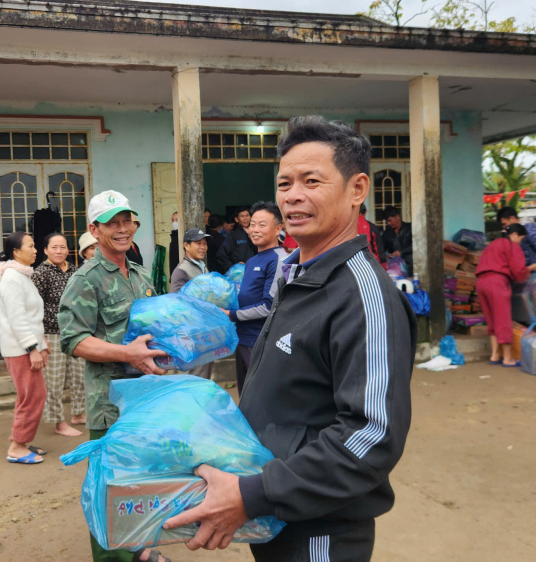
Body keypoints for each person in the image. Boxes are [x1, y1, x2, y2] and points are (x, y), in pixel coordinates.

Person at [164, 117, 414, 562]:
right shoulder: (298, 274)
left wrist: (255, 492)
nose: (293, 195)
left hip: (319, 532)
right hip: (276, 515)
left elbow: (371, 436)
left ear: (357, 189)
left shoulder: (362, 293)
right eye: (285, 182)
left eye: (312, 181)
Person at [58, 190, 171, 562]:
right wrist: (127, 354)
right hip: (109, 405)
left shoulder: (139, 275)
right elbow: (73, 340)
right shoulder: (86, 279)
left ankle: (137, 551)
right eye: (112, 223)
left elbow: (148, 330)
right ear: (94, 229)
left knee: (139, 485)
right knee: (109, 491)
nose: (122, 229)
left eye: (127, 221)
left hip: (143, 401)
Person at [0, 231, 49, 465]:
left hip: (24, 347)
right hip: (20, 349)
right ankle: (16, 447)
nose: (35, 250)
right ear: (16, 252)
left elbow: (32, 316)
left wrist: (42, 345)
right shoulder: (13, 279)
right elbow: (17, 319)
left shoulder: (22, 276)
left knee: (29, 395)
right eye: (30, 246)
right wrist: (32, 348)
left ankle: (22, 440)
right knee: (33, 396)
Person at [32, 233, 86, 437]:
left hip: (74, 331)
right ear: (45, 250)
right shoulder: (41, 272)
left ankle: (78, 413)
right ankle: (58, 422)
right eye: (54, 247)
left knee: (79, 375)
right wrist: (40, 336)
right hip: (51, 333)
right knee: (54, 381)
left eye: (62, 247)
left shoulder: (73, 270)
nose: (59, 251)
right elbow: (34, 307)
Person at [227, 201, 282, 394]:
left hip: (260, 340)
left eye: (262, 225)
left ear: (278, 229)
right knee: (246, 395)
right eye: (252, 224)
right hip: (243, 338)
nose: (255, 230)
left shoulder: (278, 258)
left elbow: (269, 306)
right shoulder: (251, 261)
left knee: (261, 396)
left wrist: (231, 314)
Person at [476, 224, 536, 366]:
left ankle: (495, 355)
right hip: (497, 283)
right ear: (514, 235)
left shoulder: (492, 244)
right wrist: (531, 268)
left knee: (492, 320)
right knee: (503, 320)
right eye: (521, 239)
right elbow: (518, 271)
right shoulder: (512, 246)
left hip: (481, 283)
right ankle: (508, 358)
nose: (520, 242)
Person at [168, 227, 214, 379]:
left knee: (205, 374)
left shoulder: (202, 267)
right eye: (198, 243)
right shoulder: (182, 271)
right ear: (186, 245)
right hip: (193, 335)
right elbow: (177, 304)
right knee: (197, 376)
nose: (203, 247)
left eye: (205, 243)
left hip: (205, 331)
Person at [216, 207, 257, 274]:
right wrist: (234, 267)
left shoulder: (256, 233)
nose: (245, 218)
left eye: (247, 215)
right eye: (242, 216)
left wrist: (250, 237)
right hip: (239, 274)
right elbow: (221, 254)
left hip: (254, 271)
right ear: (236, 219)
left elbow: (261, 251)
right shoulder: (233, 235)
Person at [382, 205, 413, 274]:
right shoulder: (387, 233)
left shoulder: (410, 228)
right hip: (396, 268)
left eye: (390, 220)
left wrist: (401, 252)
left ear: (397, 217)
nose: (388, 223)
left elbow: (416, 245)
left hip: (412, 265)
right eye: (387, 221)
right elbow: (382, 248)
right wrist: (386, 256)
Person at [169, 211, 180, 276]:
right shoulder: (173, 236)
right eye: (173, 220)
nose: (174, 222)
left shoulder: (182, 237)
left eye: (177, 220)